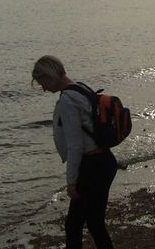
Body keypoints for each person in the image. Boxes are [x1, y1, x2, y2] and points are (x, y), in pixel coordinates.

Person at [32, 55, 118, 249]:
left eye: (41, 82)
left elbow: (75, 145)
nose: (43, 88)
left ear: (49, 75)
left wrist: (71, 182)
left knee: (74, 225)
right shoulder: (81, 88)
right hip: (105, 161)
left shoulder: (67, 100)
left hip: (91, 166)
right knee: (95, 222)